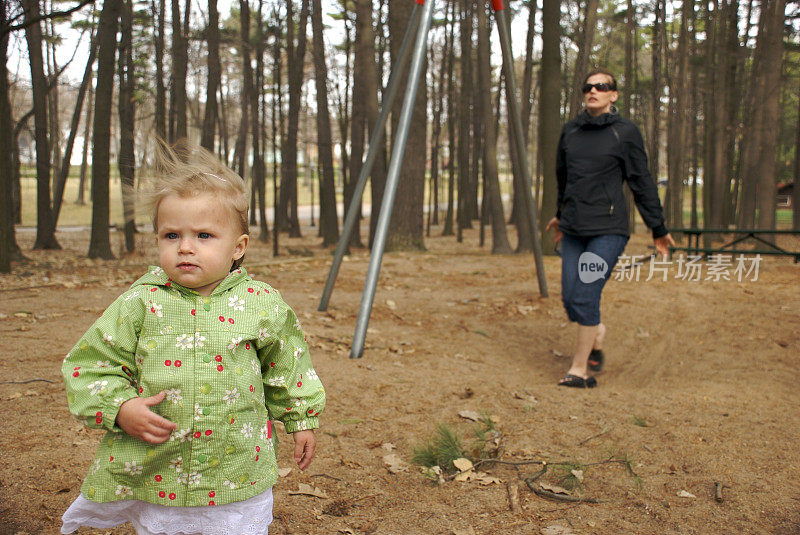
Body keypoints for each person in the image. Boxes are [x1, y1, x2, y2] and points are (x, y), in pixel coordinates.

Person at [60, 141, 326, 534]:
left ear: (238, 248)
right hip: (158, 465)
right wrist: (120, 407)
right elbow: (88, 363)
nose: (185, 247)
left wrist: (301, 418)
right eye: (171, 235)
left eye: (204, 235)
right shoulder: (141, 301)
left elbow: (287, 365)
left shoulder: (261, 304)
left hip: (236, 464)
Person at [545, 68, 675, 388]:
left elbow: (641, 182)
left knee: (587, 291)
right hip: (575, 226)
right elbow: (565, 178)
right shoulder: (570, 131)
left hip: (608, 230)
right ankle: (597, 334)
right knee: (570, 298)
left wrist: (657, 227)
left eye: (602, 87)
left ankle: (579, 370)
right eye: (588, 86)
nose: (594, 91)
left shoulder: (624, 132)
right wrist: (561, 215)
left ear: (613, 95)